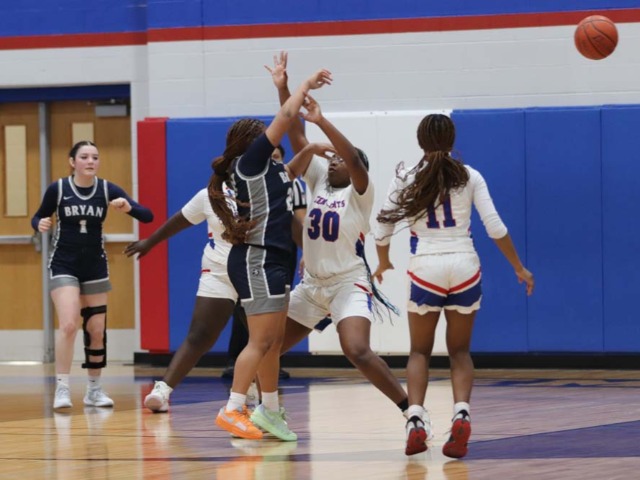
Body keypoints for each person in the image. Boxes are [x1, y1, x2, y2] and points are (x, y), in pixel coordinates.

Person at [373, 114, 535, 457]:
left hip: (425, 267)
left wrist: (383, 261)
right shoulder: (470, 175)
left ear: (420, 141)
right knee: (460, 352)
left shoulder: (406, 177)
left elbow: (383, 226)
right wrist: (519, 267)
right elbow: (495, 227)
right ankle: (461, 414)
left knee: (419, 352)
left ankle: (415, 420)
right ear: (452, 139)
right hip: (464, 267)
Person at [265, 53, 408, 421]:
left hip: (348, 282)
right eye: (331, 159)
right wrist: (284, 87)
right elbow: (296, 135)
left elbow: (354, 160)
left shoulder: (361, 192)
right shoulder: (319, 180)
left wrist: (322, 121)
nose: (333, 162)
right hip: (312, 285)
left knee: (356, 350)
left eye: (339, 160)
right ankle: (268, 411)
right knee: (266, 347)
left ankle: (411, 412)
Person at [211, 67, 332, 441]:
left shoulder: (271, 170)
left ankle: (270, 411)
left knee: (274, 343)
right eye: (264, 134)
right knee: (260, 341)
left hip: (276, 259)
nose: (271, 135)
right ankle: (233, 408)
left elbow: (288, 174)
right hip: (257, 259)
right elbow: (286, 116)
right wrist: (302, 85)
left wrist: (309, 149)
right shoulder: (248, 164)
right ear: (252, 142)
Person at [31, 140, 154, 410]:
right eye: (84, 157)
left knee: (96, 330)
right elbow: (37, 216)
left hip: (95, 266)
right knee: (69, 324)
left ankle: (94, 390)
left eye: (95, 157)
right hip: (63, 264)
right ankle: (62, 388)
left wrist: (128, 208)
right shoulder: (58, 189)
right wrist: (40, 223)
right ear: (72, 162)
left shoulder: (107, 189)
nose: (90, 161)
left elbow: (148, 216)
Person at [125, 180, 246, 412]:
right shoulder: (210, 194)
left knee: (261, 340)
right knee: (200, 334)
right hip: (219, 270)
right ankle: (162, 390)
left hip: (255, 271)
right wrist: (150, 242)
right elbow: (180, 219)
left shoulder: (265, 187)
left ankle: (257, 395)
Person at [221, 145, 303, 382]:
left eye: (278, 157)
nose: (274, 161)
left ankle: (268, 400)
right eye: (270, 157)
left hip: (281, 252)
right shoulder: (250, 179)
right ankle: (235, 394)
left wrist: (307, 250)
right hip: (254, 254)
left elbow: (299, 220)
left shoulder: (289, 182)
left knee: (272, 336)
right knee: (257, 333)